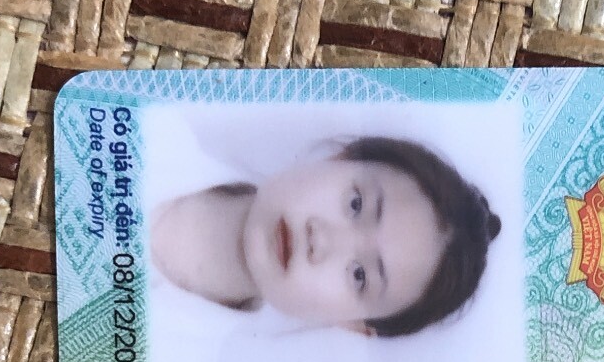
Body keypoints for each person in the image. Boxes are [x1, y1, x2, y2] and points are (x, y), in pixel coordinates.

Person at [150, 134, 501, 339]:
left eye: (359, 275)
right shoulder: (157, 132)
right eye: (355, 204)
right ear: (341, 157)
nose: (322, 241)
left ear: (353, 324)